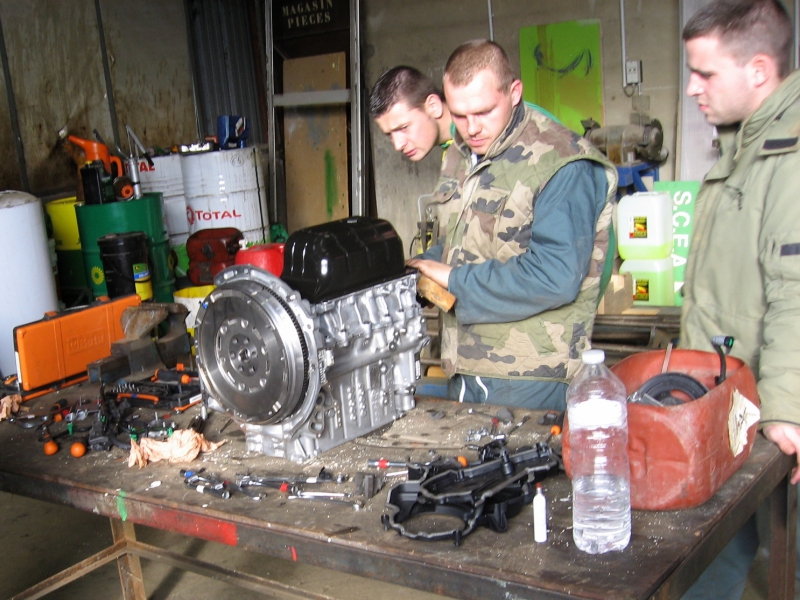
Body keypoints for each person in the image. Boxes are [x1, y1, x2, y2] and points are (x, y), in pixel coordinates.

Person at [407, 40, 618, 410]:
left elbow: (555, 276)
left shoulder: (561, 162)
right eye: (458, 114)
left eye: (484, 111)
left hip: (529, 377)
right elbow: (465, 242)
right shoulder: (461, 153)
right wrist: (422, 267)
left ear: (515, 92)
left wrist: (453, 279)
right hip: (465, 366)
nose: (471, 128)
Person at [678, 1, 800, 597]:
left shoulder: (790, 157)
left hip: (769, 413)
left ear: (757, 70)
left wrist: (787, 410)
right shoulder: (743, 149)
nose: (692, 88)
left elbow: (796, 293)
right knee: (716, 555)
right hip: (729, 404)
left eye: (705, 74)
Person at [369, 66, 453, 162]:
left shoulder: (471, 147)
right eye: (389, 135)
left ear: (433, 106)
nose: (398, 145)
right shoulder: (454, 152)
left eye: (404, 127)